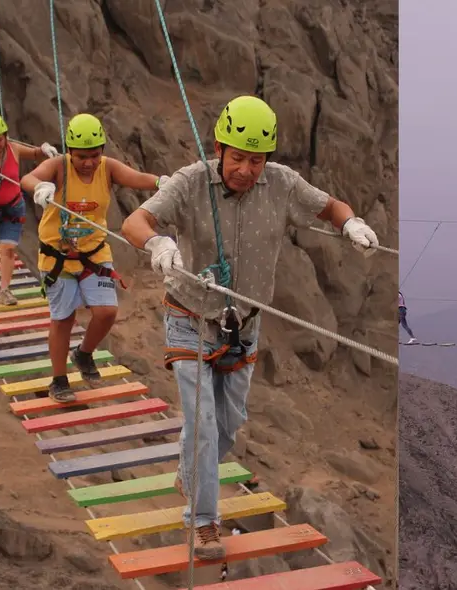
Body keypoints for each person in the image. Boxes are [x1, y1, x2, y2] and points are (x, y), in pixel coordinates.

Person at [120, 95, 380, 561]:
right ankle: (203, 521)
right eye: (237, 157)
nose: (245, 169)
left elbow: (329, 206)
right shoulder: (190, 182)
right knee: (201, 422)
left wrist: (351, 224)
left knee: (228, 423)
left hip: (242, 326)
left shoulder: (281, 184)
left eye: (256, 160)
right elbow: (136, 220)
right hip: (189, 317)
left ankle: (190, 473)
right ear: (219, 148)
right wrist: (157, 243)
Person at [20, 113, 167, 403]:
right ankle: (59, 380)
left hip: (94, 252)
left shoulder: (107, 168)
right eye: (81, 156)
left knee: (106, 312)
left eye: (94, 155)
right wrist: (39, 187)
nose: (88, 162)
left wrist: (162, 182)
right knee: (64, 318)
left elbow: (135, 178)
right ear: (70, 151)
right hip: (58, 257)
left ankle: (84, 353)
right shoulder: (59, 166)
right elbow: (29, 177)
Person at [0, 113, 59, 305]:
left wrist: (45, 149)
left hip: (12, 208)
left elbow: (34, 153)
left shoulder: (13, 149)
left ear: (5, 136)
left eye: (0, 139)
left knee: (7, 248)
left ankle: (4, 290)